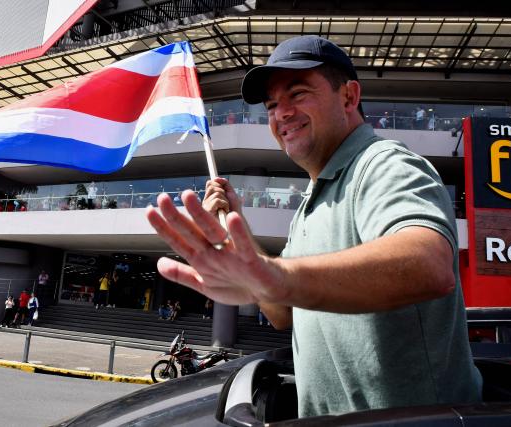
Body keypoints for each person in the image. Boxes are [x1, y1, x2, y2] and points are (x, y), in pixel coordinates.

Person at [146, 35, 481, 418]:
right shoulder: (311, 201)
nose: (281, 113)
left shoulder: (384, 164)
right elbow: (282, 312)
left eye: (298, 93)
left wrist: (274, 275)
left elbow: (430, 266)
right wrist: (239, 248)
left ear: (349, 97)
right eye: (271, 105)